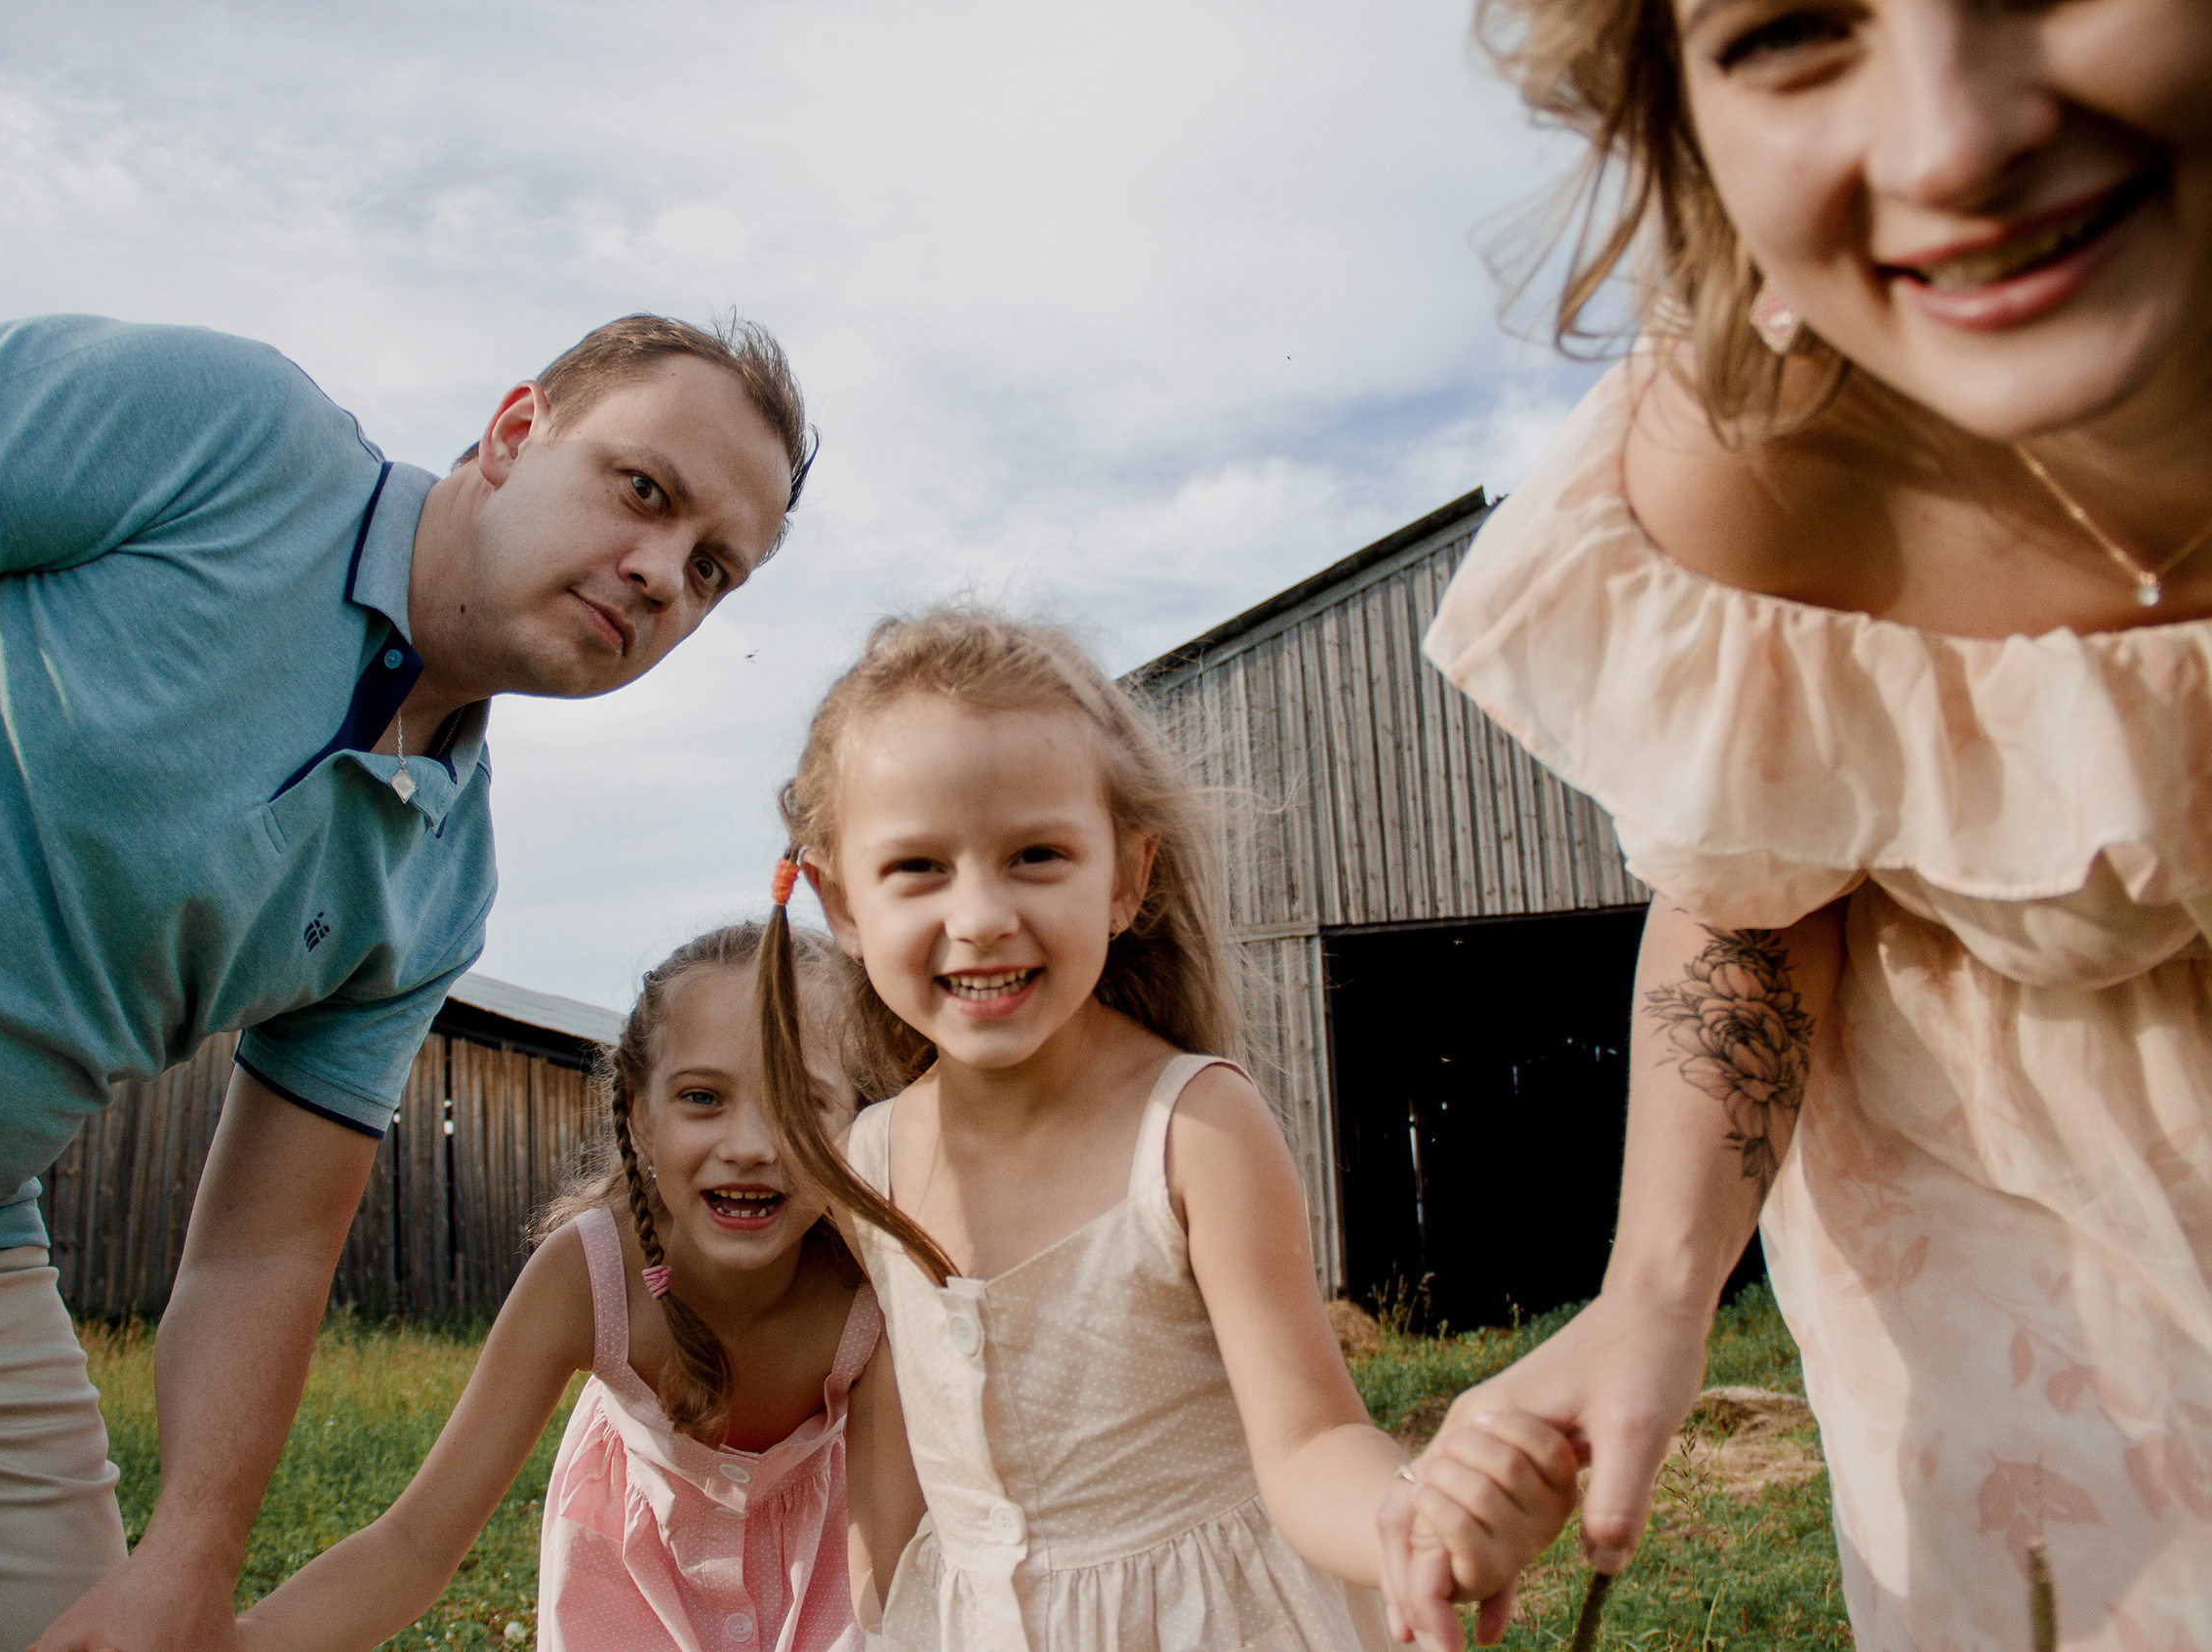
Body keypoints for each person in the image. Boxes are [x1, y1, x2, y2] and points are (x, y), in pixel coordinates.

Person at [0, 310, 811, 1652]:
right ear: (517, 432)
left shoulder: (440, 880)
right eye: (643, 490)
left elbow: (266, 1241)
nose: (660, 576)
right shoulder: (223, 439)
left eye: (712, 571)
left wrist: (192, 1551)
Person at [1412, 0, 2212, 1645]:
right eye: (1785, 28)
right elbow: (1754, 891)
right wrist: (1654, 1291)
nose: (1949, 142)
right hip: (2033, 1282)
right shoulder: (1752, 464)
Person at [747, 607, 1579, 1652]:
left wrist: (1410, 1516)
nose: (980, 915)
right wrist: (871, 1607)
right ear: (842, 905)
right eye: (917, 867)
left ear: (1128, 878)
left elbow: (1311, 1436)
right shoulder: (869, 1156)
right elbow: (898, 1435)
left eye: (1037, 854)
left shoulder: (1191, 1129)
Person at [236, 921, 904, 1652]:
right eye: (703, 1097)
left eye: (801, 1102)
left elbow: (895, 1575)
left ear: (857, 1122)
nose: (749, 1144)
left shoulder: (871, 1289)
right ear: (640, 1119)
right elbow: (416, 1542)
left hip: (835, 1589)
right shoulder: (586, 1275)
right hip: (622, 1589)